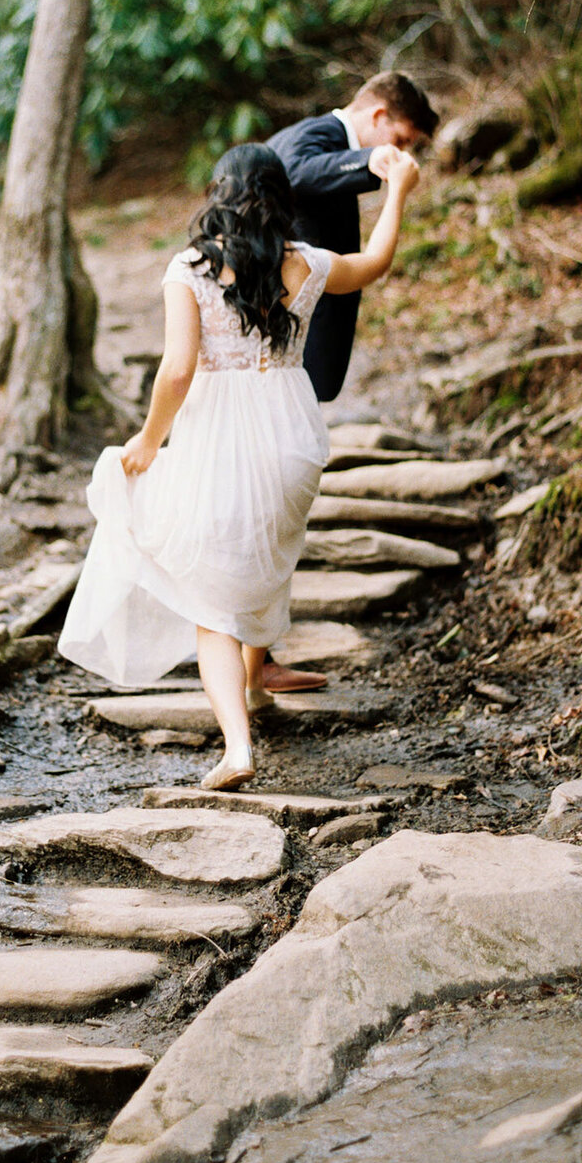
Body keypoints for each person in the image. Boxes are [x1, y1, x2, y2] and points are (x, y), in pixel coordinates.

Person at [58, 141, 421, 791]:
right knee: (264, 551)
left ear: (218, 194)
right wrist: (397, 192)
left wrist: (147, 440)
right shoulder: (306, 262)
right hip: (292, 434)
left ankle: (236, 748)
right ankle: (255, 682)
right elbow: (375, 263)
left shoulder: (190, 268)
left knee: (213, 600)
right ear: (282, 198)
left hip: (218, 435)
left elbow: (177, 370)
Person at [259, 71, 438, 697]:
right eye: (403, 139)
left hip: (294, 347)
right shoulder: (313, 137)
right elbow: (298, 173)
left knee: (278, 505)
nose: (403, 153)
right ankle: (254, 656)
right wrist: (373, 164)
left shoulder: (325, 144)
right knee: (270, 504)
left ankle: (258, 654)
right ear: (379, 115)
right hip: (278, 354)